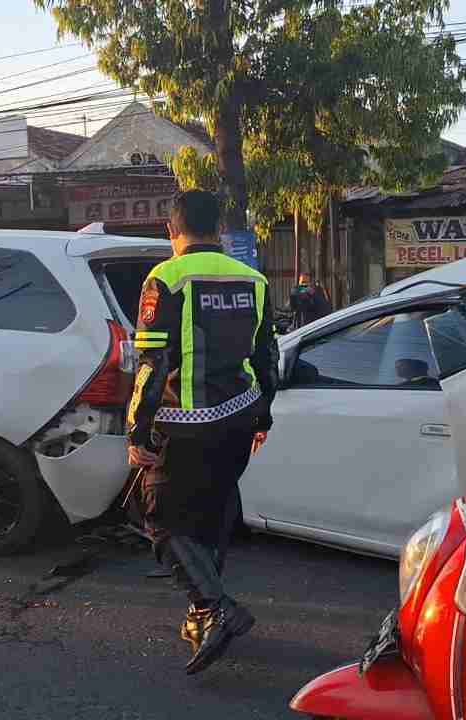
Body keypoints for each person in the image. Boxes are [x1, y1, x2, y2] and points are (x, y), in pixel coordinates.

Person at [126, 190, 278, 675]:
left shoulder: (165, 278)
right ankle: (201, 616)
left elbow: (153, 365)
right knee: (211, 513)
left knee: (162, 519)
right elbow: (266, 359)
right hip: (240, 416)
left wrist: (137, 433)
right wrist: (263, 417)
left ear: (172, 231)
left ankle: (215, 608)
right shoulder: (253, 279)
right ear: (217, 228)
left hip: (186, 425)